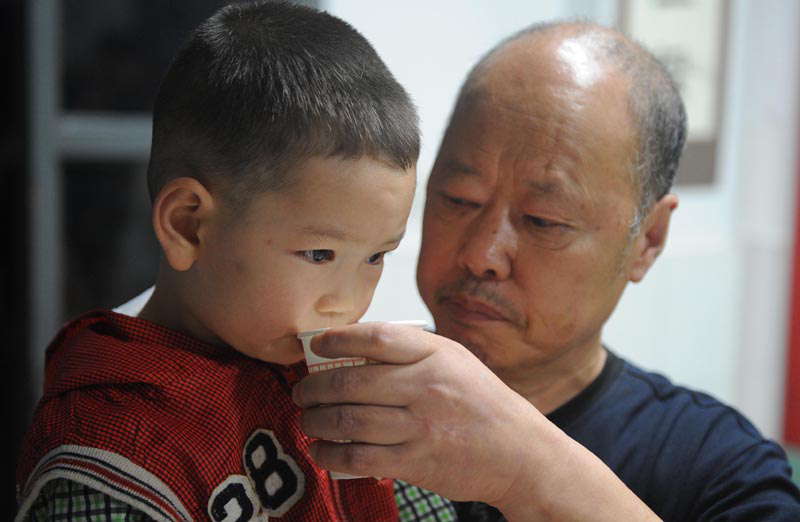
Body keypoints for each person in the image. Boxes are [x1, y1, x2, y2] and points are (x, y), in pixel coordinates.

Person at [291, 21, 800, 521]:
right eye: (458, 199)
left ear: (648, 240)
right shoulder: (320, 403)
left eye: (542, 221)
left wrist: (529, 472)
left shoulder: (718, 464)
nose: (482, 254)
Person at [15, 1, 422, 520]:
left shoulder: (328, 384)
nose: (347, 303)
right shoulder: (109, 445)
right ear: (189, 225)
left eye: (376, 257)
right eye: (320, 254)